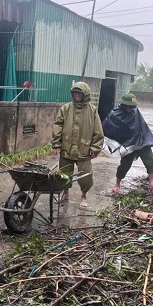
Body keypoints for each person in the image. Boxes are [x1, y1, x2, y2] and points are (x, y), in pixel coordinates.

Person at [51, 81, 104, 210]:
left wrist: (95, 147)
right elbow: (58, 125)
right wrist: (57, 144)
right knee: (65, 173)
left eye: (80, 93)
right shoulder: (66, 108)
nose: (77, 95)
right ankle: (65, 193)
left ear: (85, 94)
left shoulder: (92, 110)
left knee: (85, 175)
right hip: (67, 147)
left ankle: (84, 196)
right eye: (75, 93)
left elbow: (98, 130)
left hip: (84, 149)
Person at [102, 93, 153, 195]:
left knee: (150, 160)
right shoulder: (115, 114)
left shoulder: (135, 111)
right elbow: (106, 128)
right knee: (125, 165)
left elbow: (141, 125)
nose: (131, 109)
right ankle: (117, 184)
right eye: (129, 107)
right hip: (128, 144)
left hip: (141, 140)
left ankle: (152, 183)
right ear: (123, 105)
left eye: (132, 107)